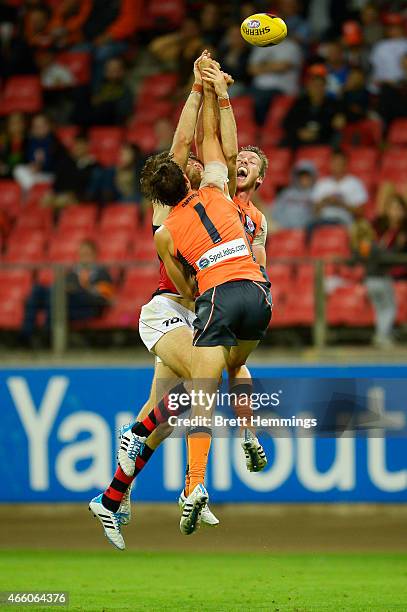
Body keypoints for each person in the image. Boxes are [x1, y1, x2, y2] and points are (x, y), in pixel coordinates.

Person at [89, 55, 269, 549]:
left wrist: (208, 90)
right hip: (171, 308)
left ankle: (109, 499)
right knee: (198, 386)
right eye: (184, 162)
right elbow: (192, 141)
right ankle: (187, 480)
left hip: (200, 306)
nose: (190, 160)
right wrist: (198, 89)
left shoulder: (222, 200)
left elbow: (222, 152)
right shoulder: (170, 209)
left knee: (167, 412)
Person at [20, 240, 114, 346]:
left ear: (95, 255)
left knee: (56, 295)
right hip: (64, 305)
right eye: (81, 254)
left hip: (86, 308)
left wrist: (78, 291)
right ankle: (26, 336)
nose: (84, 257)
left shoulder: (102, 274)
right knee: (38, 291)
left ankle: (47, 335)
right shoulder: (72, 273)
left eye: (87, 254)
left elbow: (102, 299)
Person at [283, 66, 345, 148]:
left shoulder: (333, 104)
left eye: (321, 86)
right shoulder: (300, 103)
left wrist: (341, 117)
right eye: (315, 86)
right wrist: (299, 132)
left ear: (325, 88)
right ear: (309, 87)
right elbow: (287, 122)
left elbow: (336, 123)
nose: (318, 89)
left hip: (322, 140)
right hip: (299, 140)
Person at [248, 35, 303, 125]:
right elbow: (251, 69)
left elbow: (283, 67)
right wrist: (273, 66)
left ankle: (261, 127)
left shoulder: (291, 46)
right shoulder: (261, 45)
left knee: (261, 101)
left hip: (282, 88)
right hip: (258, 87)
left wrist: (262, 66)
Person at [42, 134, 104, 210]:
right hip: (61, 196)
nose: (78, 148)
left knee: (62, 202)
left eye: (81, 145)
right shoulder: (65, 163)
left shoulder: (95, 166)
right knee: (45, 200)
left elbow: (91, 190)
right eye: (76, 145)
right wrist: (53, 194)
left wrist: (74, 195)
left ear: (88, 146)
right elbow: (57, 183)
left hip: (79, 198)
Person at [311, 150, 368, 228]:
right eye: (334, 162)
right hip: (322, 220)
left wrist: (341, 204)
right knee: (310, 226)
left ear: (345, 165)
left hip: (343, 221)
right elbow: (314, 211)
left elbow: (360, 212)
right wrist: (325, 201)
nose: (336, 166)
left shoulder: (355, 183)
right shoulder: (322, 183)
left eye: (339, 163)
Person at [13, 114, 67, 192]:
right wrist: (31, 166)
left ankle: (29, 191)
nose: (39, 129)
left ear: (49, 126)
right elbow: (23, 161)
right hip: (32, 175)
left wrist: (42, 167)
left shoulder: (56, 143)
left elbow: (60, 167)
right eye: (36, 126)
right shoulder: (28, 142)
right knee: (18, 169)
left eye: (42, 125)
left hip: (48, 175)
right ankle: (30, 188)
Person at [271, 161, 317, 231]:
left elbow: (315, 215)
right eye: (301, 176)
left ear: (312, 177)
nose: (304, 179)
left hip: (304, 230)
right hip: (281, 228)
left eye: (307, 176)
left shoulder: (316, 193)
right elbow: (276, 211)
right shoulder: (287, 193)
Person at [370, 13, 407, 92]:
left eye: (396, 27)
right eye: (389, 27)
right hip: (385, 87)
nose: (392, 30)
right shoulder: (380, 46)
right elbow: (376, 69)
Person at [0, 112, 27, 179]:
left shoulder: (29, 140)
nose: (15, 125)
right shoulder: (3, 140)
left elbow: (26, 161)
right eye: (12, 123)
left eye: (18, 122)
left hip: (20, 172)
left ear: (23, 124)